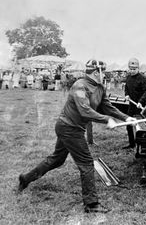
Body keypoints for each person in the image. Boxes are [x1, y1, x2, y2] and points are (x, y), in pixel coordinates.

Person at [17, 59, 136, 213]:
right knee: (86, 163)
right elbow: (84, 110)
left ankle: (26, 179)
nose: (104, 74)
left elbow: (108, 107)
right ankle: (91, 204)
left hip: (73, 128)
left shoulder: (99, 87)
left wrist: (126, 118)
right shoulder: (79, 86)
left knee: (57, 159)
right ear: (96, 72)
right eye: (103, 71)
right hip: (68, 128)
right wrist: (106, 120)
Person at [124, 57, 146, 149]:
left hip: (141, 106)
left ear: (138, 68)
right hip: (132, 105)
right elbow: (126, 88)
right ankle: (131, 144)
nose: (132, 71)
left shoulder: (143, 79)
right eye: (130, 69)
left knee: (141, 127)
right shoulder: (128, 78)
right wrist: (126, 95)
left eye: (134, 69)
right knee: (129, 124)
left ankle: (142, 147)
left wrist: (140, 101)